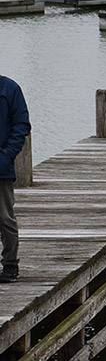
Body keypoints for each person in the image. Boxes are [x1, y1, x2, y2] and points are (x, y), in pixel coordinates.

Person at [0, 74, 30, 282]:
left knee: (5, 217)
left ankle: (10, 264)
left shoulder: (9, 88)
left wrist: (7, 154)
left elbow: (22, 125)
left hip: (0, 166)